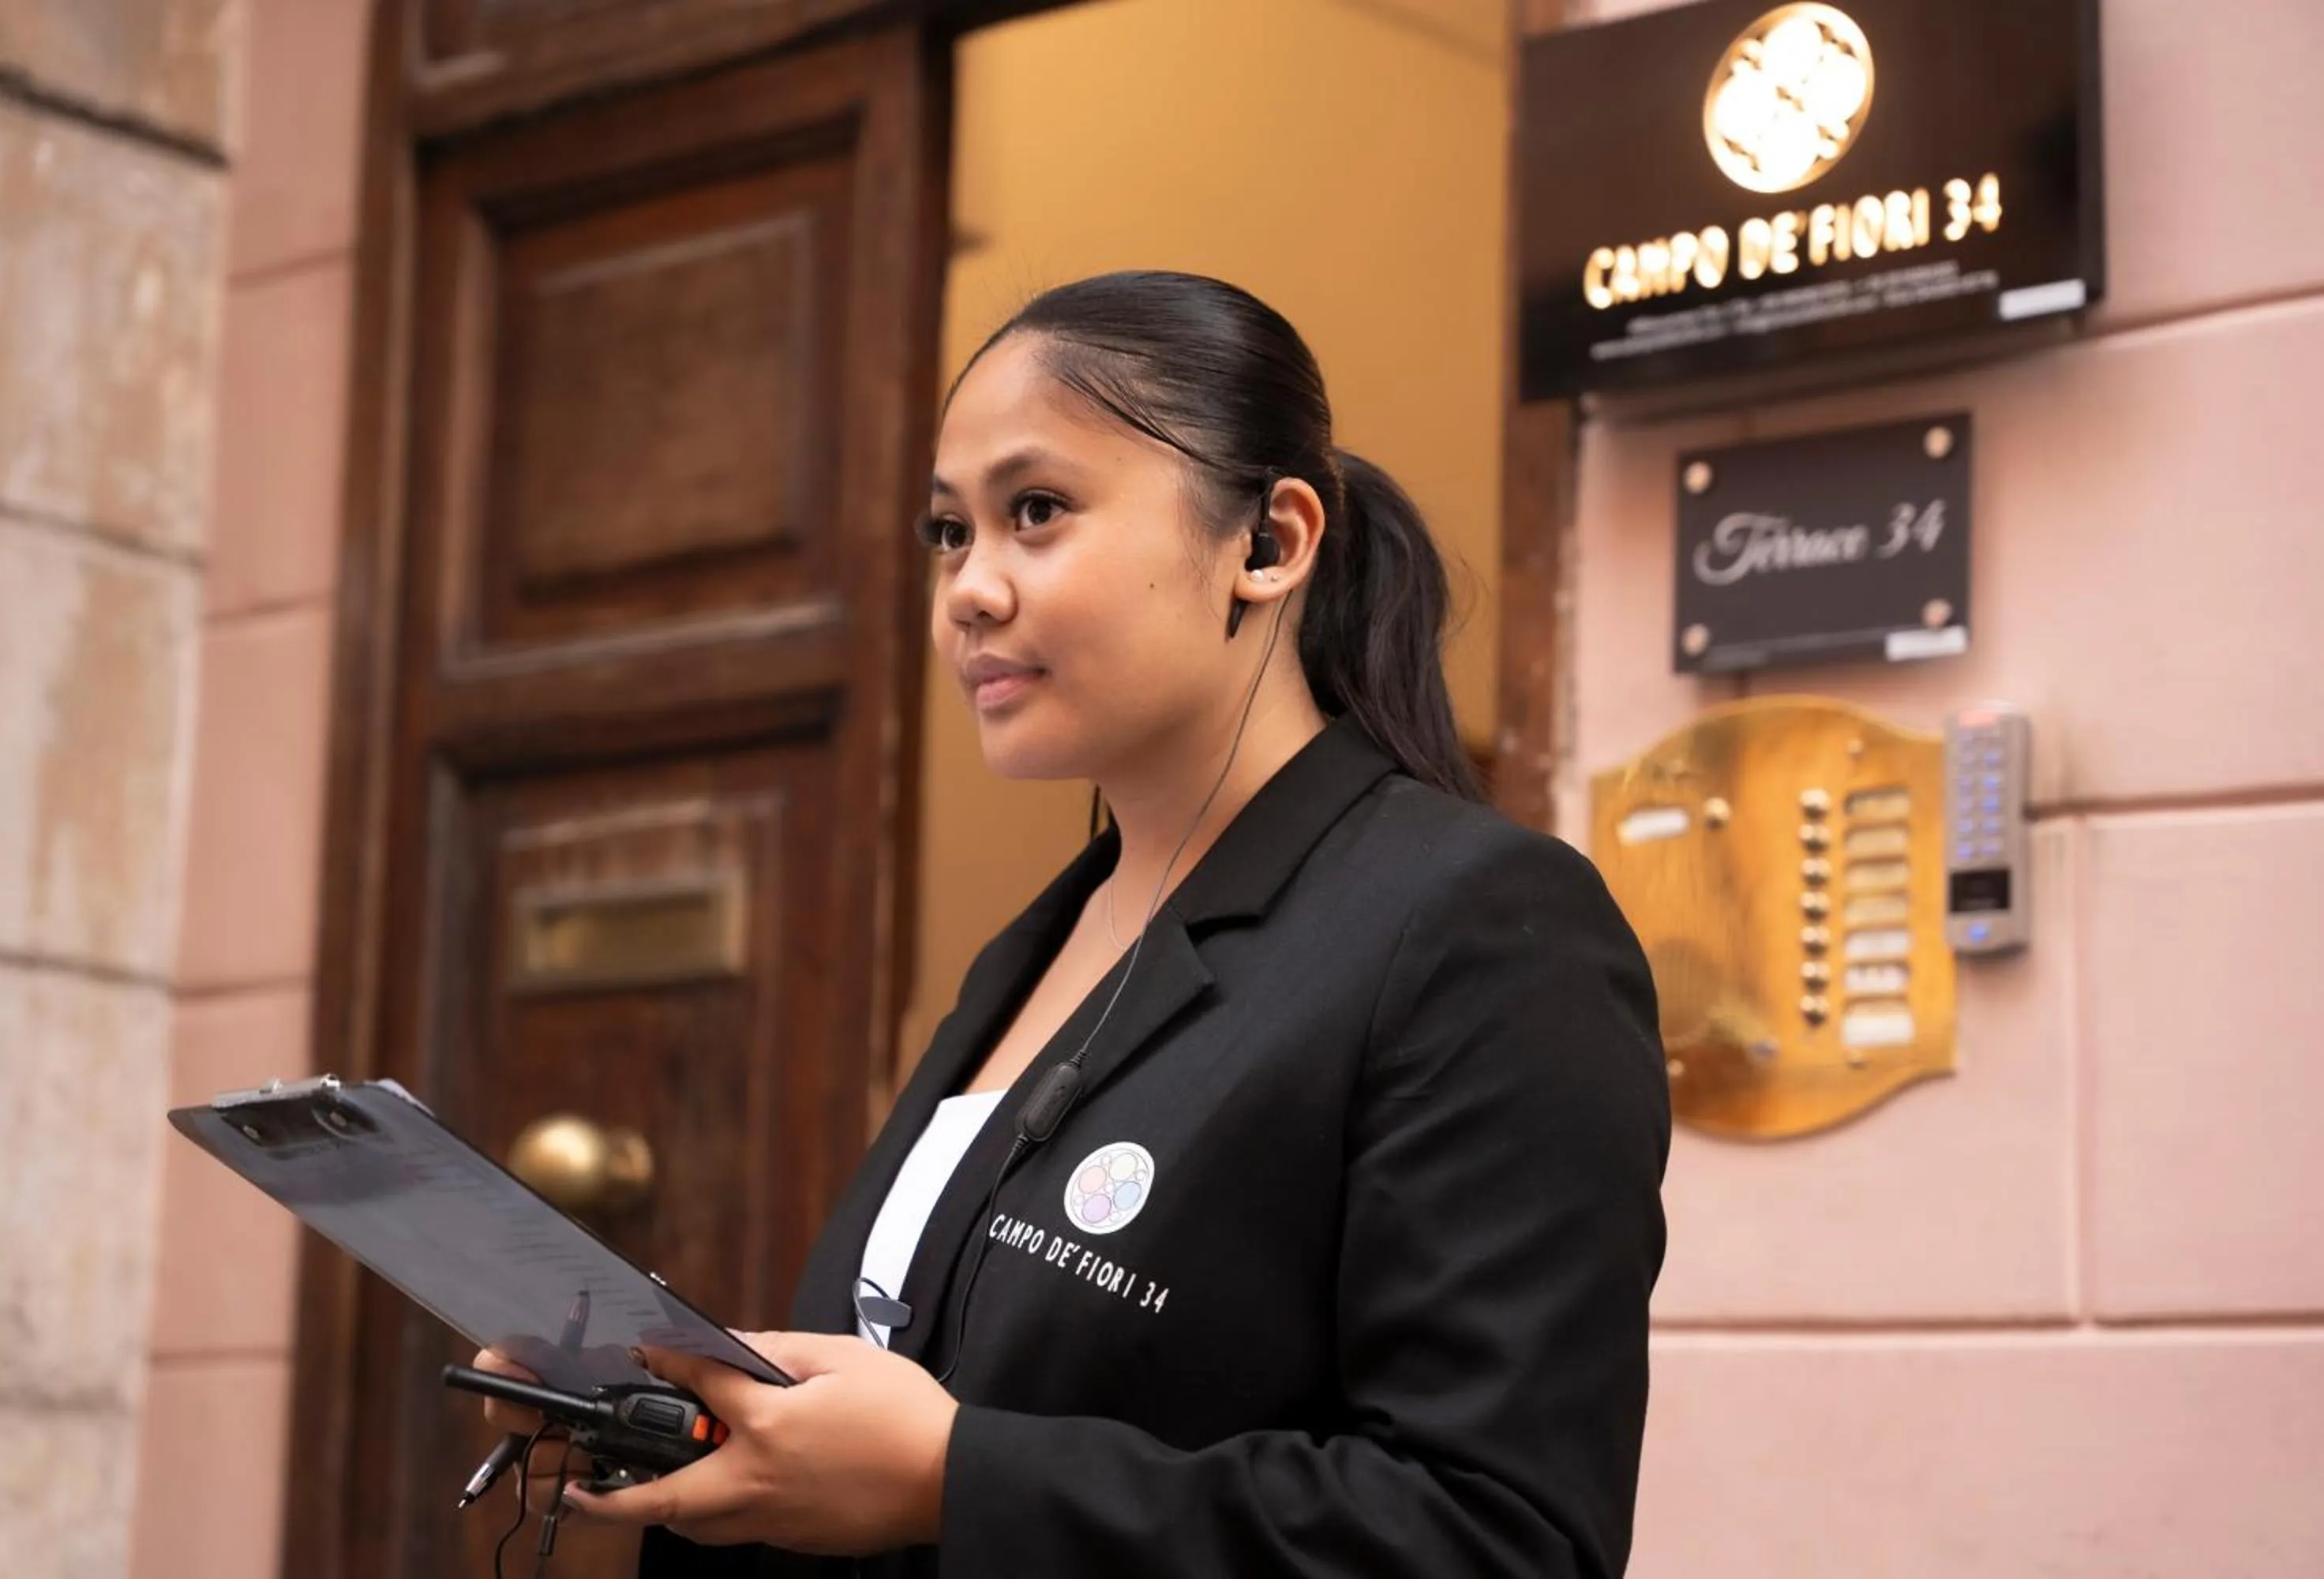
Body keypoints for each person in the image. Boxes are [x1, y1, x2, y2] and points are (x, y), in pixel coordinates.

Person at [476, 270, 1670, 1577]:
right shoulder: (1044, 942)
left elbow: (1500, 1539)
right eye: (949, 532)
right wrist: (690, 1437)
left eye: (1035, 512)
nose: (968, 591)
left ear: (1268, 544)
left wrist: (955, 1479)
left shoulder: (1481, 928)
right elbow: (914, 1411)